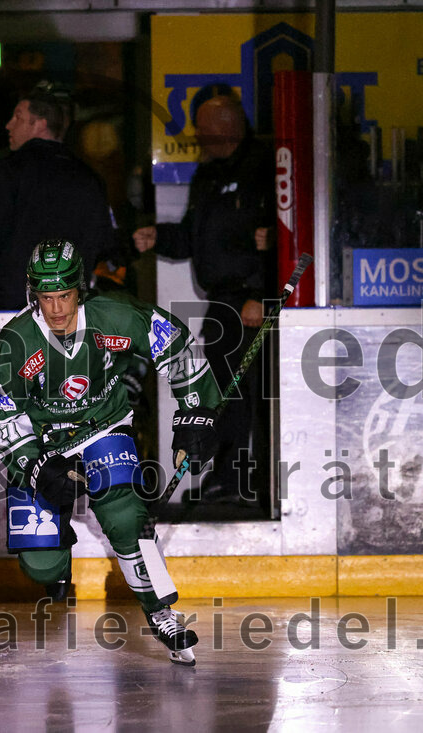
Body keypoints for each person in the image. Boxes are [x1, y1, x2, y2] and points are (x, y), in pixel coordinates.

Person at [0, 240, 222, 665]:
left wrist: (195, 413)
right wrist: (34, 465)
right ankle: (58, 555)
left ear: (81, 289)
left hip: (103, 425)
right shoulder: (16, 341)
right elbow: (0, 414)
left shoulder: (116, 315)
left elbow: (178, 346)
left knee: (125, 515)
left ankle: (161, 612)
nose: (56, 309)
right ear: (33, 293)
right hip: (46, 444)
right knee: (40, 564)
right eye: (46, 297)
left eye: (65, 296)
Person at [133, 95, 276, 509]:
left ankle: (244, 480)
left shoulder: (262, 167)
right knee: (222, 394)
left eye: (204, 127)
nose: (197, 135)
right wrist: (159, 236)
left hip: (250, 302)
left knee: (246, 395)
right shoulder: (208, 175)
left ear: (228, 125)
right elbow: (194, 238)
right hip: (221, 304)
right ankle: (228, 476)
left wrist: (258, 293)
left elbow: (278, 237)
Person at [0, 84, 112, 310]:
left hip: (10, 307)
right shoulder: (89, 178)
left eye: (18, 118)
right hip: (68, 308)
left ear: (40, 124)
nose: (9, 125)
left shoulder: (9, 170)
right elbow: (100, 241)